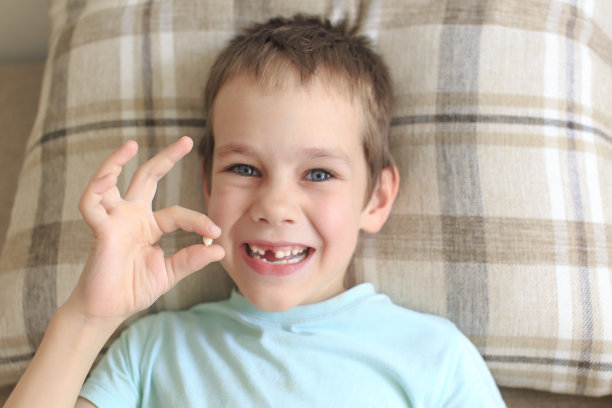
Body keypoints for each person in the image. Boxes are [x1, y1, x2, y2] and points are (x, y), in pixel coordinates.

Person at [6, 14, 505, 407]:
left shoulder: (435, 356)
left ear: (375, 198)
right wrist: (88, 317)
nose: (274, 206)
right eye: (244, 169)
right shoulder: (152, 349)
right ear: (205, 184)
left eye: (318, 174)